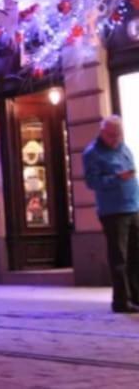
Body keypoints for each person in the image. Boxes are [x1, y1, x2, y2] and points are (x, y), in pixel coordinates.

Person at [83, 115, 139, 314]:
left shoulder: (124, 148)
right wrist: (117, 178)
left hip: (133, 207)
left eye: (119, 134)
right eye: (112, 135)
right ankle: (121, 301)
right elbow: (92, 182)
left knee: (136, 256)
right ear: (102, 132)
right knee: (120, 258)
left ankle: (136, 297)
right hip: (113, 211)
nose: (116, 138)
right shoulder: (93, 153)